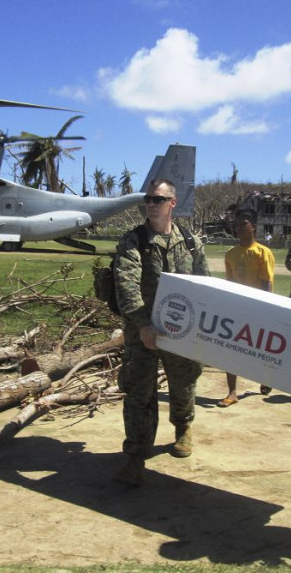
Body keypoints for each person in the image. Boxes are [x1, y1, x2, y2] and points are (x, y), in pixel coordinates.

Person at [112, 178, 210, 487]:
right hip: (143, 332)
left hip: (181, 333)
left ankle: (183, 428)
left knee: (184, 385)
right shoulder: (134, 241)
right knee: (139, 394)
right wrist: (143, 324)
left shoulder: (191, 242)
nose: (151, 204)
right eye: (148, 199)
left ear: (172, 203)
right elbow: (126, 285)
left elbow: (205, 287)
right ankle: (136, 457)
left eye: (158, 199)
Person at [217, 209, 276, 407]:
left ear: (254, 227)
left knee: (259, 348)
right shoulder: (230, 254)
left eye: (244, 224)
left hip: (258, 308)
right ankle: (232, 392)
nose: (240, 228)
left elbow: (266, 283)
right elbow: (230, 282)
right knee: (230, 348)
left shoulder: (262, 252)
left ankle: (266, 377)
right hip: (236, 308)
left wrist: (264, 309)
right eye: (237, 224)